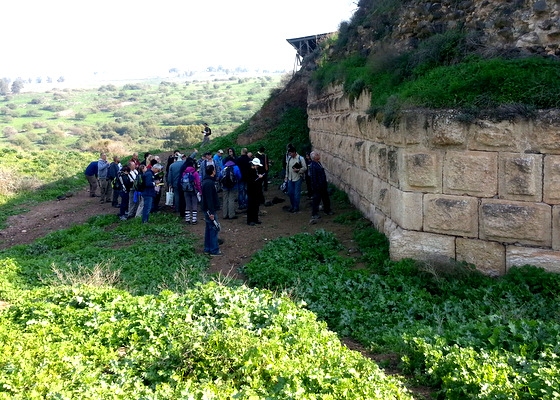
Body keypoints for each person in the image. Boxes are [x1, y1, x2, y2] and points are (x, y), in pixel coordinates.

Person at [201, 164, 222, 256]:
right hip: (210, 210)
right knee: (214, 229)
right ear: (213, 172)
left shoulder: (205, 182)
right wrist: (212, 212)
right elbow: (209, 198)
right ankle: (214, 250)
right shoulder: (210, 183)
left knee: (209, 229)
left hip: (207, 209)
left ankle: (207, 248)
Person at [309, 151, 334, 219]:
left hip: (322, 185)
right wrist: (316, 186)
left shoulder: (318, 163)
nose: (319, 155)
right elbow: (313, 177)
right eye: (317, 155)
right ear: (314, 158)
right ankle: (314, 213)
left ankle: (327, 210)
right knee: (316, 200)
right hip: (318, 186)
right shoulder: (313, 166)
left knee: (325, 198)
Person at [284, 146, 307, 213]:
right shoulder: (289, 159)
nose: (289, 155)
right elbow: (287, 168)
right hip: (290, 178)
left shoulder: (300, 158)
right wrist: (286, 176)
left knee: (296, 193)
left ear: (294, 152)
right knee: (290, 192)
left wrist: (298, 170)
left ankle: (296, 207)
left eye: (290, 153)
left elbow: (305, 168)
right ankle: (293, 205)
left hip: (297, 178)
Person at [180, 157, 201, 224]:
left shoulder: (184, 172)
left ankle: (187, 219)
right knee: (194, 204)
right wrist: (200, 191)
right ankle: (194, 220)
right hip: (193, 190)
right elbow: (198, 182)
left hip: (186, 190)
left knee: (187, 204)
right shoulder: (195, 172)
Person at [247, 158, 265, 226]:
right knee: (251, 205)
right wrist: (258, 178)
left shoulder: (256, 170)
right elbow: (252, 181)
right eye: (257, 165)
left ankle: (255, 219)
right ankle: (250, 220)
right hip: (251, 191)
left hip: (256, 191)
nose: (257, 166)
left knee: (256, 205)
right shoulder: (250, 171)